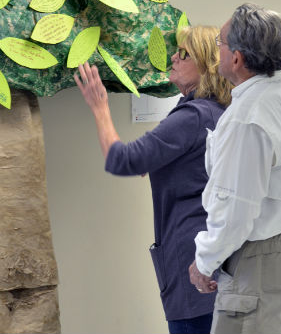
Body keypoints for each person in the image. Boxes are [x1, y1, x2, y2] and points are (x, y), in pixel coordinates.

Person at [74, 25, 232, 334]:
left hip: (193, 270)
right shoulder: (221, 112)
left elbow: (122, 160)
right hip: (221, 267)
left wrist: (99, 106)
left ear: (205, 64)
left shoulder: (192, 117)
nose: (173, 56)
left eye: (183, 53)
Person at [189, 3, 281, 334]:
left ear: (236, 58)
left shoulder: (248, 117)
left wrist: (204, 263)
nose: (216, 52)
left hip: (260, 263)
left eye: (220, 44)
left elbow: (236, 210)